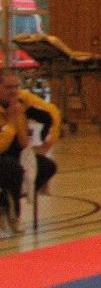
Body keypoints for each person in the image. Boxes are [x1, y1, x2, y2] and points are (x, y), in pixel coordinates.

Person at [0, 70, 61, 234]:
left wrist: (46, 143)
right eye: (8, 87)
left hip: (17, 154)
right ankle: (14, 213)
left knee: (47, 166)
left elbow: (53, 114)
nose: (14, 91)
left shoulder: (22, 101)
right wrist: (11, 124)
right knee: (13, 169)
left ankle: (5, 202)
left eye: (16, 86)